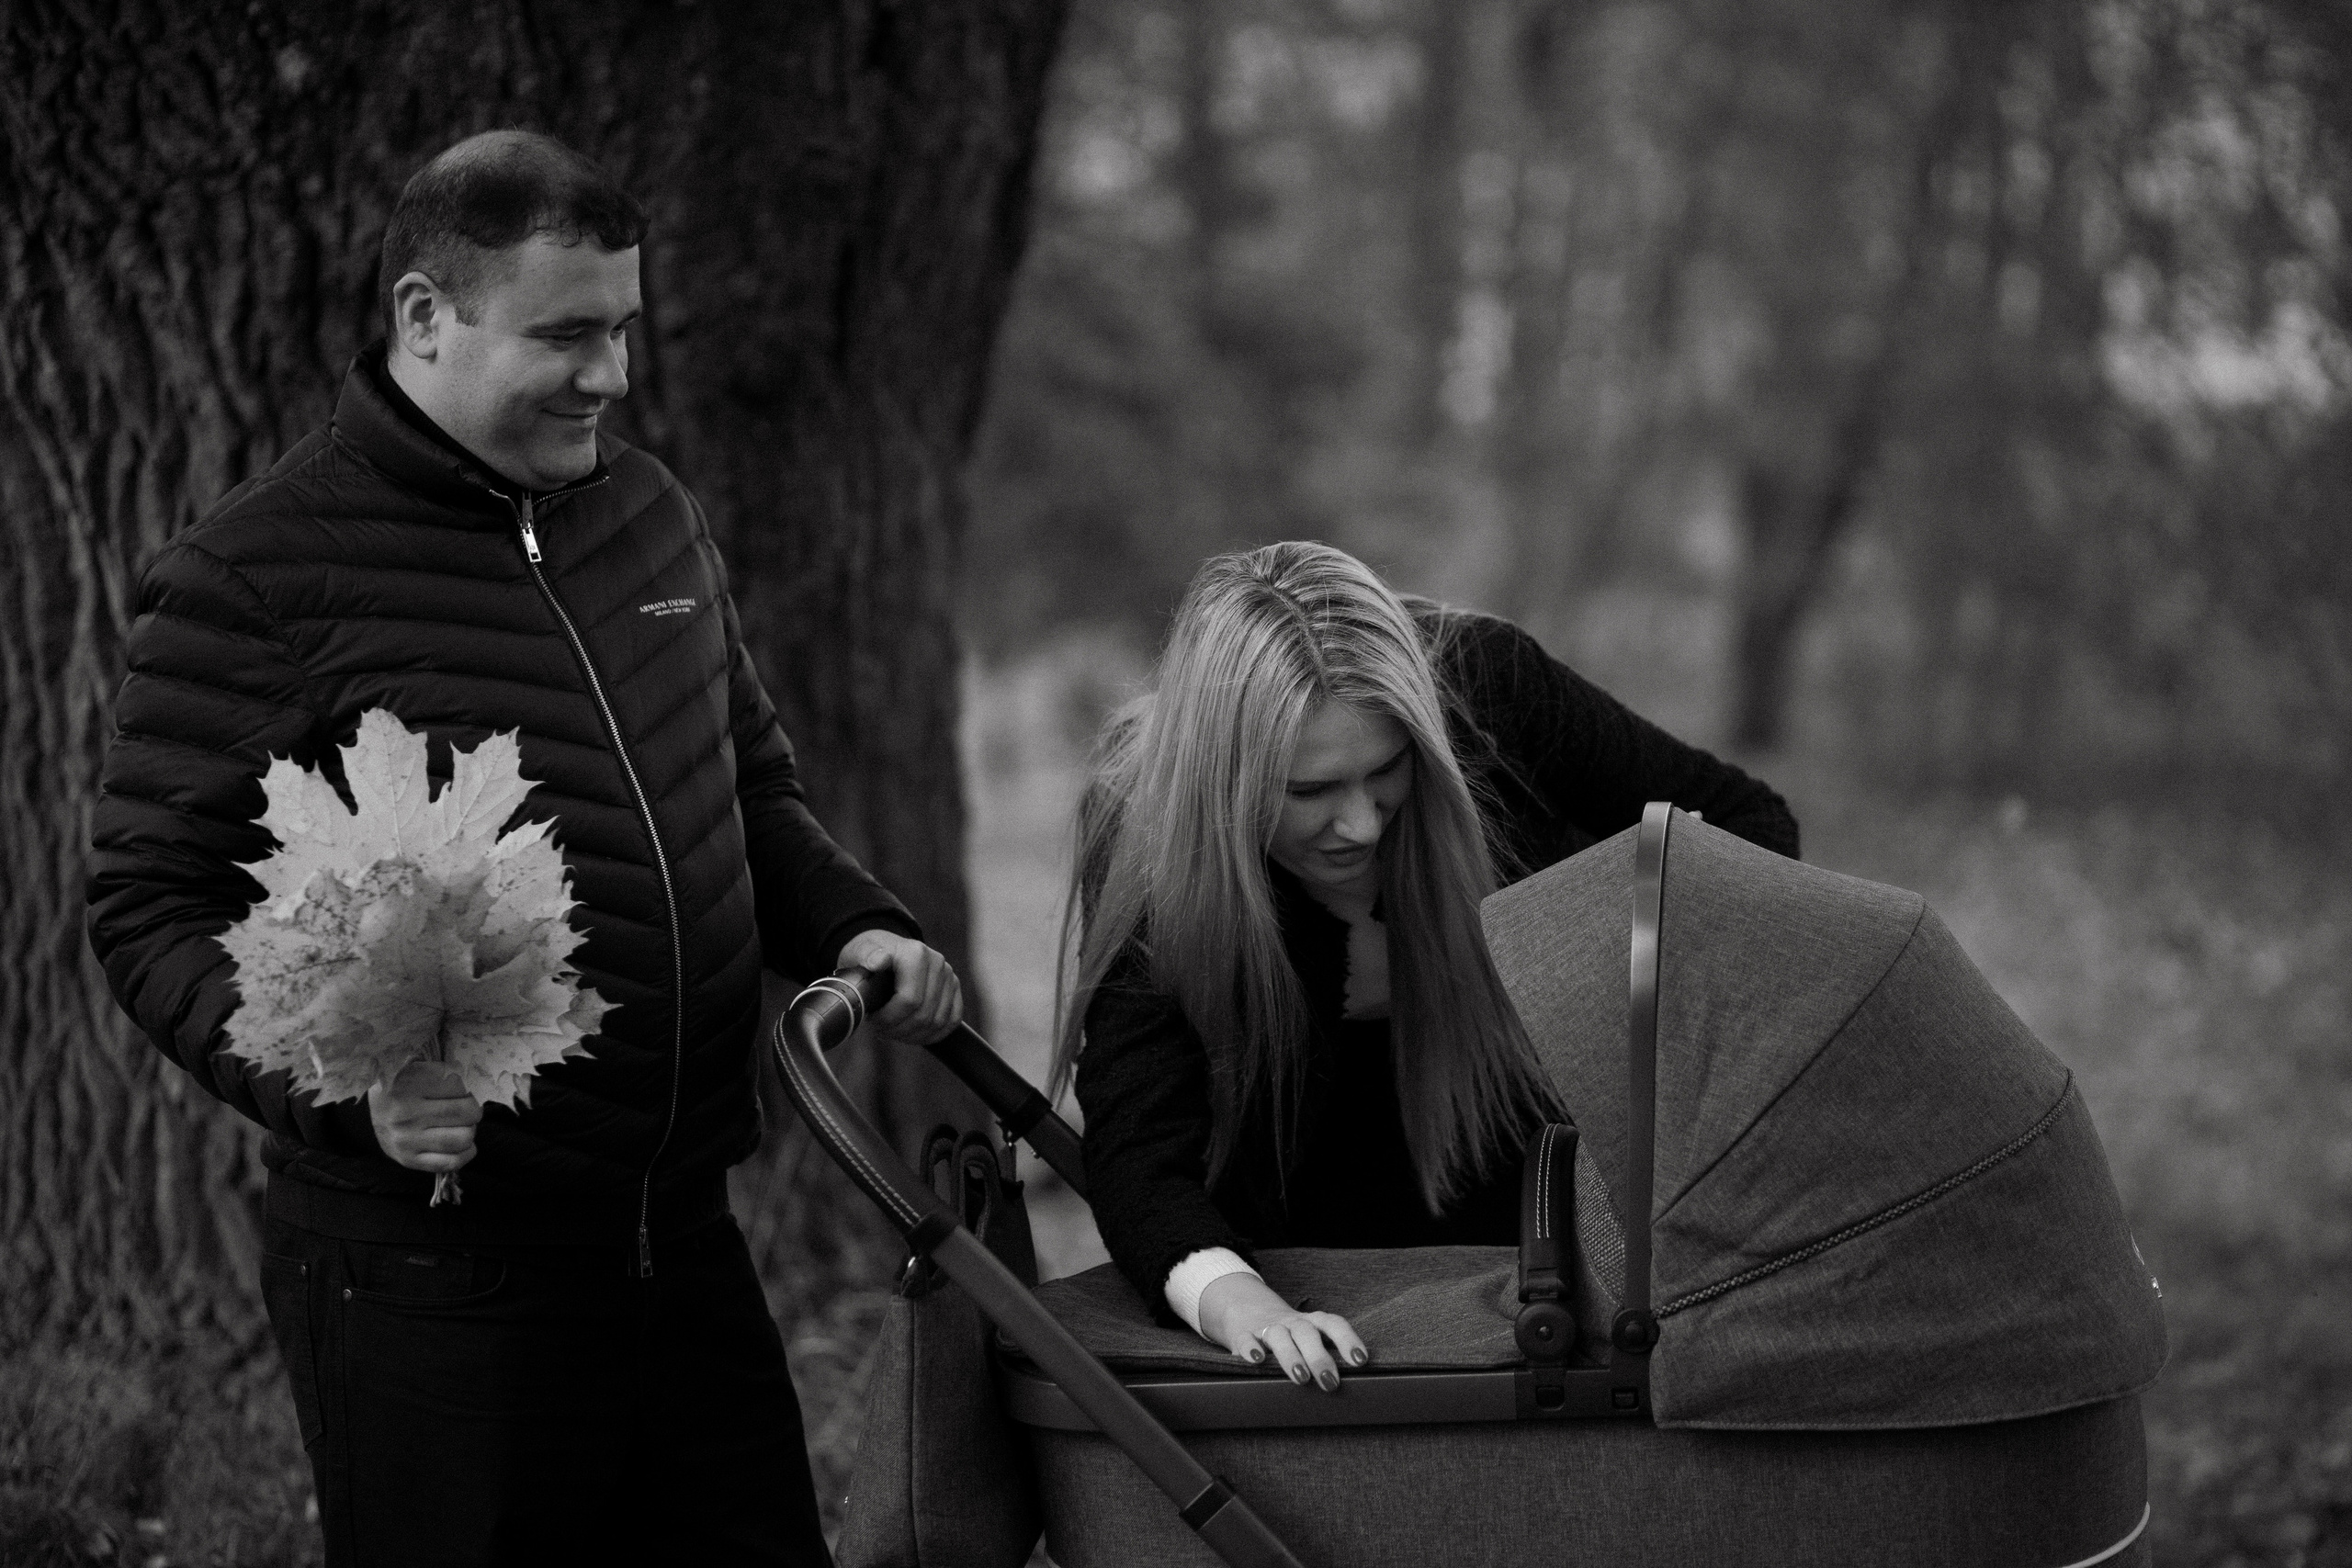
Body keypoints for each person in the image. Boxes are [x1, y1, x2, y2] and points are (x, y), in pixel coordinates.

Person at [85, 130, 960, 1566]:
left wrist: (856, 923)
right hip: (433, 1273)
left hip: (678, 1236)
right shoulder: (253, 575)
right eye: (567, 333)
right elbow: (143, 902)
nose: (611, 373)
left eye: (622, 327)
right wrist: (340, 1090)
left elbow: (747, 790)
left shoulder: (652, 516)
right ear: (428, 316)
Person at [1055, 541, 1798, 1396]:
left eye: (1386, 770)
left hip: (1533, 1183)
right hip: (1287, 1229)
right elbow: (1138, 1142)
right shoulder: (1144, 814)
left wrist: (1605, 970)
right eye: (1309, 792)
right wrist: (1243, 1306)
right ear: (1219, 786)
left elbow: (1750, 824)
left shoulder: (1487, 692)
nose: (1362, 824)